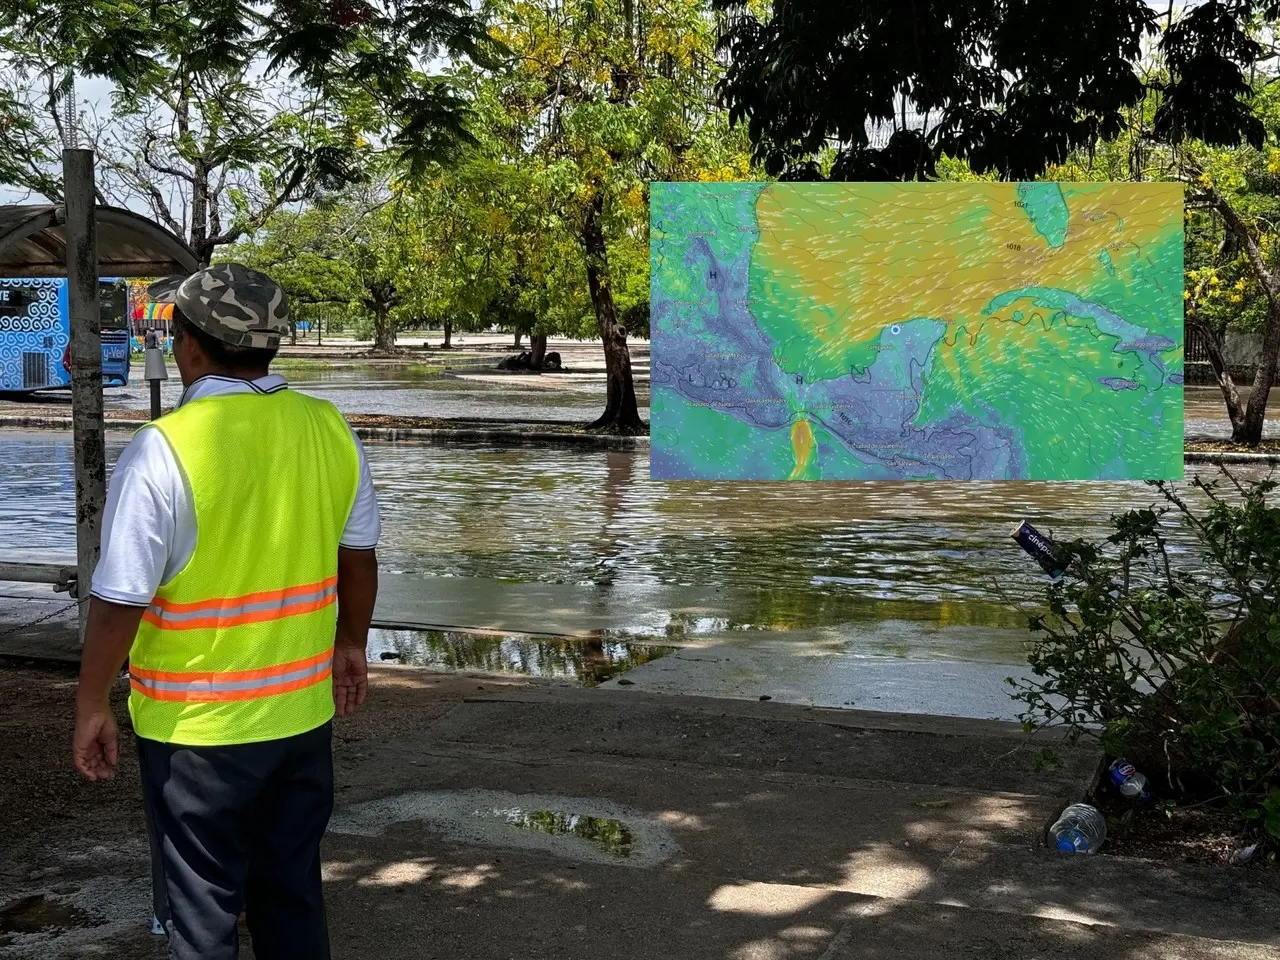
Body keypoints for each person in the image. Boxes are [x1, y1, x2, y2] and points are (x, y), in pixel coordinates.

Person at [72, 262, 381, 959]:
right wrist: (351, 645)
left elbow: (121, 597)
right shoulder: (329, 428)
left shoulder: (164, 448)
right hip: (301, 718)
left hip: (196, 732)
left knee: (202, 910)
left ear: (187, 344)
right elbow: (357, 554)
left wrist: (91, 702)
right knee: (291, 892)